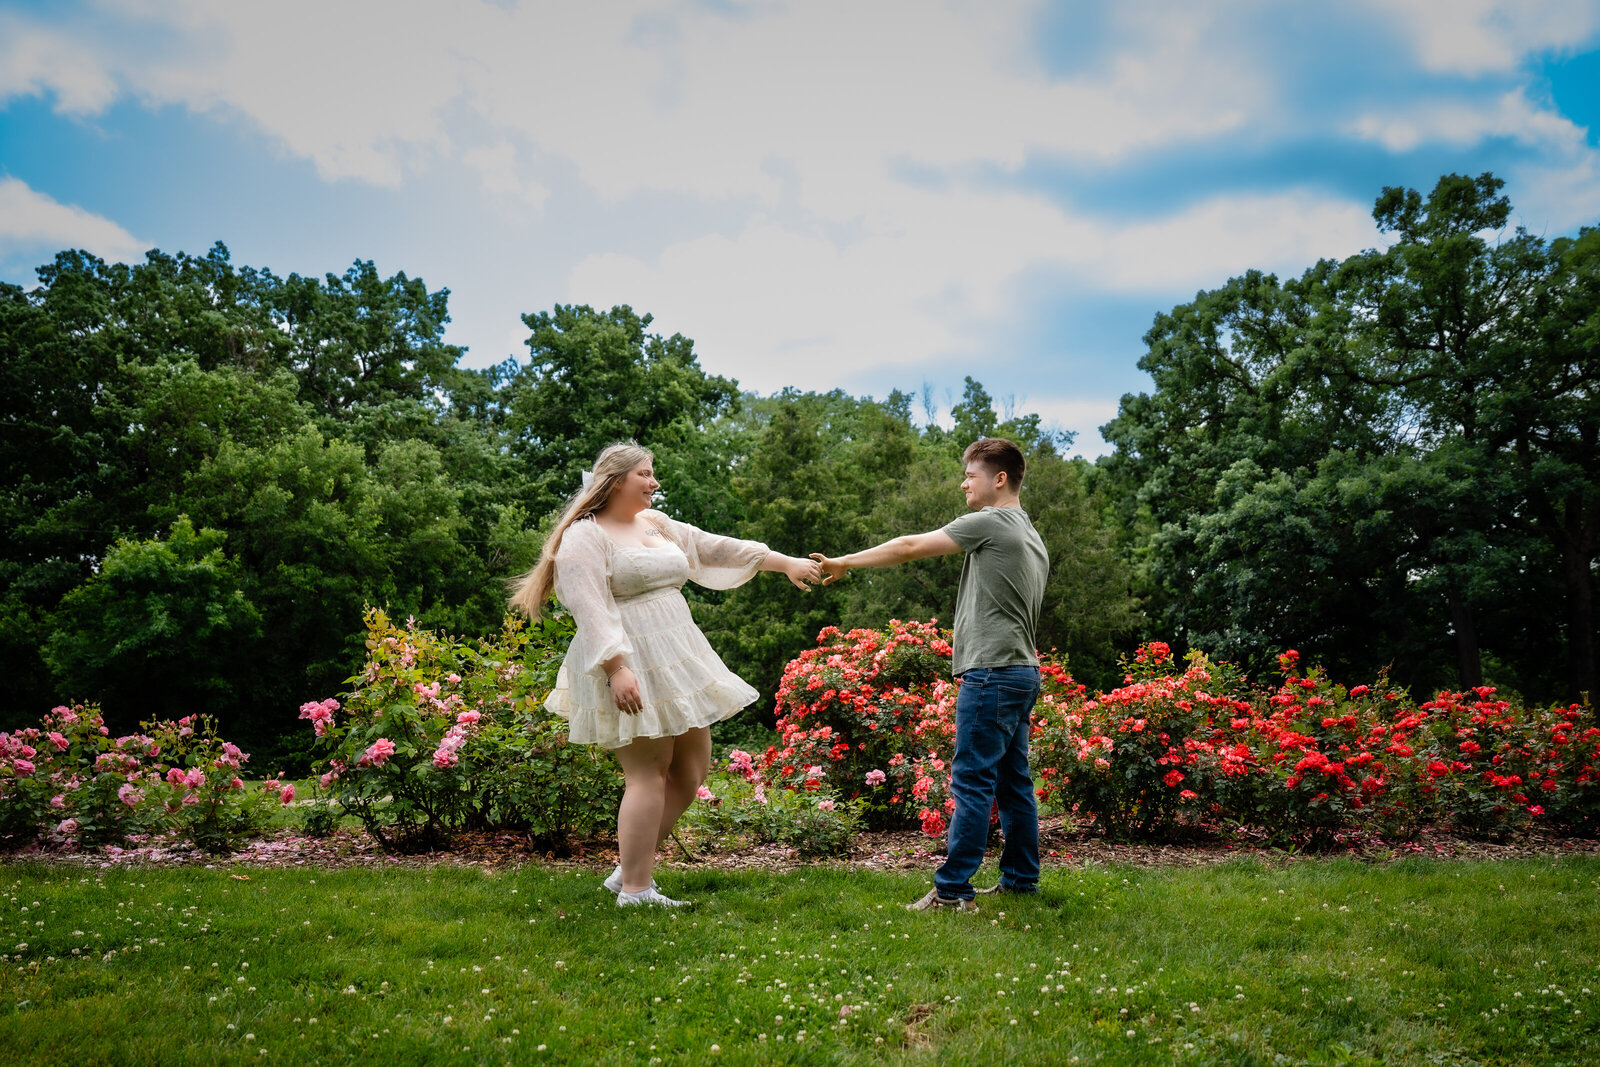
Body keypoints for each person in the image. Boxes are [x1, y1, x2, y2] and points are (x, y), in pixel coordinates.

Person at [510, 442, 820, 907]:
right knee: (648, 772)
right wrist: (617, 668)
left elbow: (711, 546)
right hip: (627, 659)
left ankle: (629, 870)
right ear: (616, 481)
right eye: (645, 474)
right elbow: (588, 607)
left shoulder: (655, 524)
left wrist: (783, 562)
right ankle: (636, 890)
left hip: (675, 653)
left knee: (691, 768)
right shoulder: (584, 536)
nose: (654, 483)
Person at [811, 437, 1049, 912]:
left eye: (971, 475)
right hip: (1021, 670)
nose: (963, 483)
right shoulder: (1029, 533)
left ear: (999, 480)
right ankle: (1021, 881)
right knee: (1013, 783)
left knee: (973, 781)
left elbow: (909, 547)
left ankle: (953, 890)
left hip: (993, 673)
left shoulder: (992, 522)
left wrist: (844, 562)